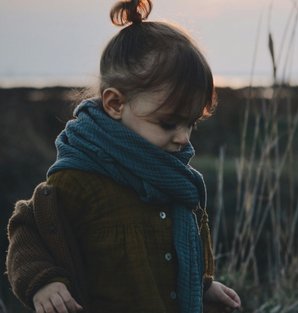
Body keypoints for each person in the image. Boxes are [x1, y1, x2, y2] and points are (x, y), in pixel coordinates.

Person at [5, 1, 241, 312]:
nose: (183, 137)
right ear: (115, 104)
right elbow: (27, 229)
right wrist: (45, 282)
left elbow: (171, 253)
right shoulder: (80, 179)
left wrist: (201, 285)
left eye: (191, 123)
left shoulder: (171, 179)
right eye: (168, 122)